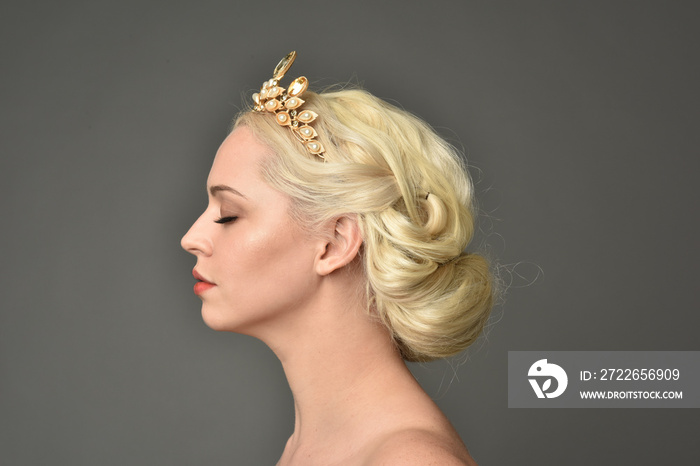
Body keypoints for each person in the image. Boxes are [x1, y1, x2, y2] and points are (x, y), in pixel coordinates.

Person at [181, 51, 494, 465]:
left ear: (334, 242)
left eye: (229, 214)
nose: (191, 238)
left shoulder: (409, 460)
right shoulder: (305, 448)